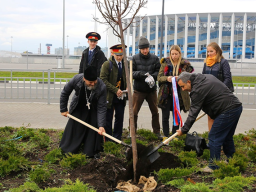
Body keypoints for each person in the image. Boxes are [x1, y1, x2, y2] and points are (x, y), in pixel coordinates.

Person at [176, 72, 243, 172]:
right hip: (236, 107)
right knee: (227, 137)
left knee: (214, 137)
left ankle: (213, 166)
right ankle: (231, 160)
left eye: (183, 86)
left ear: (189, 82)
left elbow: (193, 113)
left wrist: (184, 130)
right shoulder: (205, 77)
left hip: (227, 110)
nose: (183, 89)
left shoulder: (197, 90)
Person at [60, 65, 107, 159]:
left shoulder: (102, 86)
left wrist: (101, 125)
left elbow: (102, 107)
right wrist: (63, 109)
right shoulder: (76, 79)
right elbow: (65, 92)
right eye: (90, 82)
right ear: (84, 79)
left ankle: (90, 151)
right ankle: (68, 150)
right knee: (75, 126)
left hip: (94, 106)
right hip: (79, 105)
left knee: (95, 126)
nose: (93, 84)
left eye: (94, 81)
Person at [157, 45, 194, 137]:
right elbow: (159, 77)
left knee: (176, 117)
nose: (174, 56)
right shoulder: (165, 63)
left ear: (179, 54)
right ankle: (165, 136)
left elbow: (190, 77)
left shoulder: (185, 65)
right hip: (166, 95)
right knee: (165, 117)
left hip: (180, 95)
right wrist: (167, 78)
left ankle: (174, 136)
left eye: (176, 54)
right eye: (172, 54)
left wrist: (180, 79)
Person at [132, 36, 162, 139]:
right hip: (138, 90)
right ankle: (132, 132)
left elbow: (159, 71)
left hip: (151, 90)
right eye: (143, 49)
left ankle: (157, 132)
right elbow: (130, 73)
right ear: (139, 49)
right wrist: (140, 74)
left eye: (146, 48)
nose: (145, 51)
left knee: (155, 111)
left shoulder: (155, 58)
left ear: (149, 48)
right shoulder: (134, 58)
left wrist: (152, 77)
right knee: (134, 112)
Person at [202, 42, 233, 132]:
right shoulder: (206, 63)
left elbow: (227, 78)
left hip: (221, 95)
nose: (209, 54)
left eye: (211, 51)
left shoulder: (223, 62)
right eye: (208, 51)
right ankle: (212, 139)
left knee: (220, 119)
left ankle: (219, 140)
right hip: (209, 95)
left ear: (217, 51)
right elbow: (203, 77)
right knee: (210, 117)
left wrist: (220, 90)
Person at [100, 44, 127, 141]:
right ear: (113, 53)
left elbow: (127, 78)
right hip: (110, 96)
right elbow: (103, 80)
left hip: (121, 96)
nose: (119, 57)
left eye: (121, 55)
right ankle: (108, 139)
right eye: (117, 55)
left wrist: (127, 87)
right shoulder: (108, 64)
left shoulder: (125, 64)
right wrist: (115, 90)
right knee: (108, 118)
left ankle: (117, 138)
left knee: (119, 117)